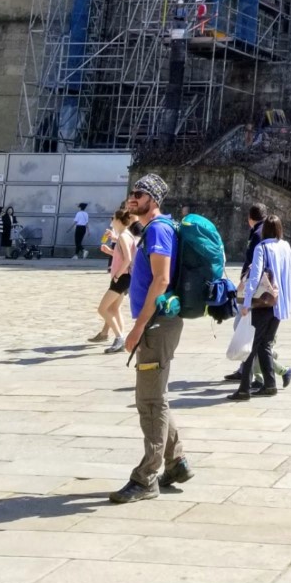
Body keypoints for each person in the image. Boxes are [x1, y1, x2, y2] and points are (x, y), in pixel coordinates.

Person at [108, 174, 194, 503]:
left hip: (156, 325)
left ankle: (146, 478)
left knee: (149, 401)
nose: (133, 197)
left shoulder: (158, 230)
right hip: (157, 324)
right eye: (133, 191)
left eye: (140, 193)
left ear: (153, 199)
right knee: (156, 395)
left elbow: (161, 280)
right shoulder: (152, 229)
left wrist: (138, 327)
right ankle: (177, 462)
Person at [225, 203, 291, 391]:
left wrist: (246, 303)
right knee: (265, 344)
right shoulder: (286, 247)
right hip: (280, 303)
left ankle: (244, 389)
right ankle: (269, 384)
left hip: (263, 303)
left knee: (252, 345)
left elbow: (255, 276)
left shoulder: (262, 247)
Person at [93, 207, 136, 352]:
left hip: (121, 277)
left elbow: (128, 259)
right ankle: (119, 338)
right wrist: (110, 252)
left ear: (118, 220)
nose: (111, 221)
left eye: (113, 218)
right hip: (125, 276)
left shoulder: (124, 236)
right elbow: (123, 257)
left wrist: (117, 275)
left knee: (102, 309)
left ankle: (119, 338)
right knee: (114, 309)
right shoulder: (126, 235)